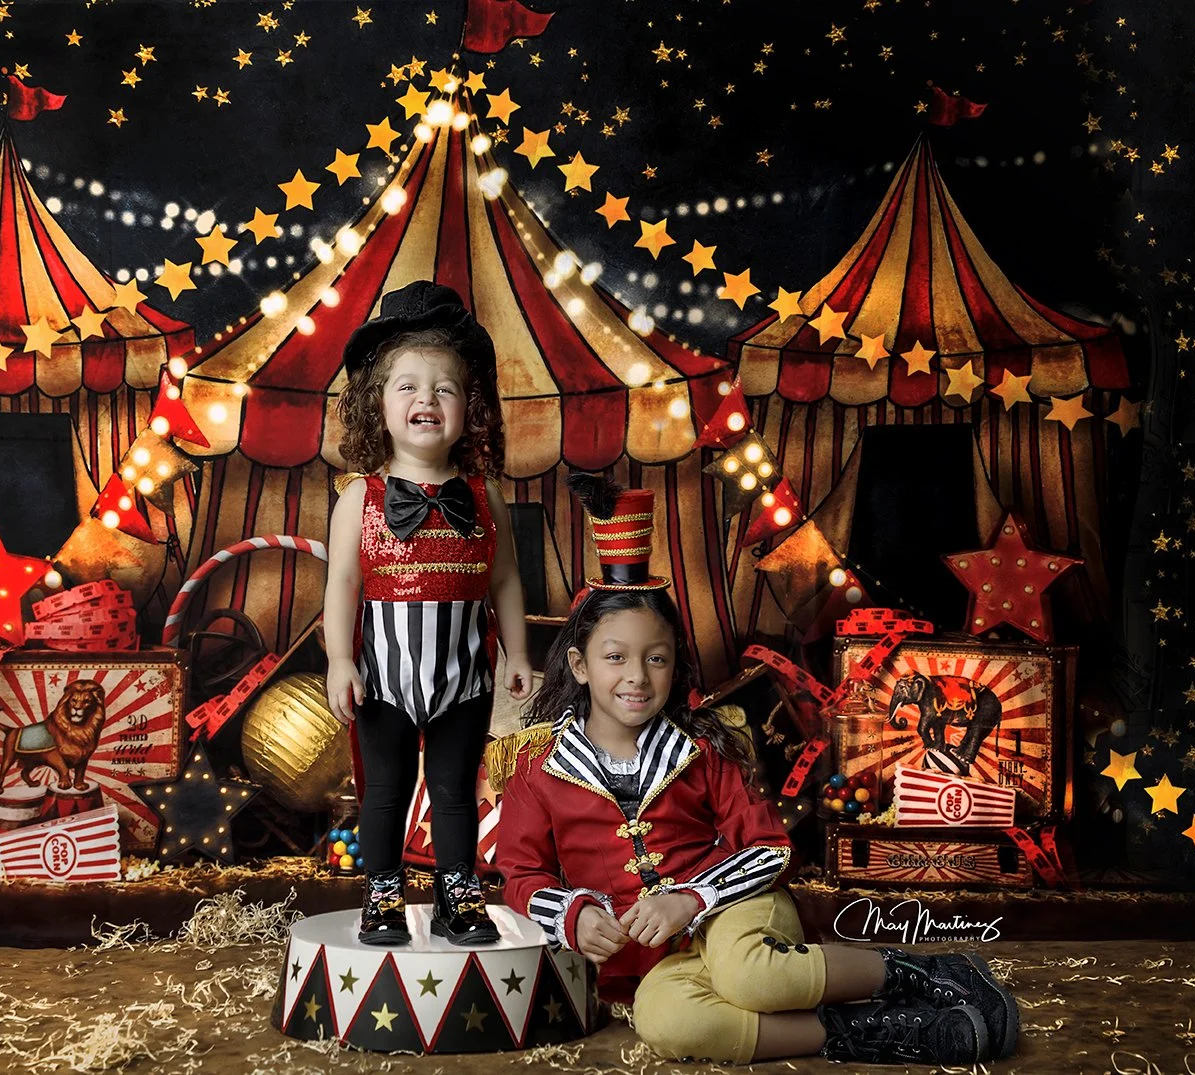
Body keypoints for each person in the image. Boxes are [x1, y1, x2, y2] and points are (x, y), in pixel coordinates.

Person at [490, 472, 1020, 1066]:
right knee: (668, 1022)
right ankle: (876, 1029)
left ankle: (923, 974)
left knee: (751, 976)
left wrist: (691, 899)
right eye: (615, 657)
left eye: (656, 658)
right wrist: (574, 914)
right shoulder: (537, 767)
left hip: (734, 911)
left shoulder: (702, 749)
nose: (636, 676)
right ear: (579, 665)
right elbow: (520, 872)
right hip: (657, 957)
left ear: (675, 665)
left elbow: (769, 850)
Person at [323, 281, 533, 948]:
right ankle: (382, 890)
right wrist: (338, 660)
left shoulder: (485, 495)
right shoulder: (360, 497)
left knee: (454, 791)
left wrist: (518, 654)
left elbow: (505, 579)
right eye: (407, 386)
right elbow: (341, 586)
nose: (427, 400)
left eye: (445, 389)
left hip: (464, 679)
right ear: (377, 405)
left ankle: (457, 892)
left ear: (469, 407)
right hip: (383, 679)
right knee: (385, 790)